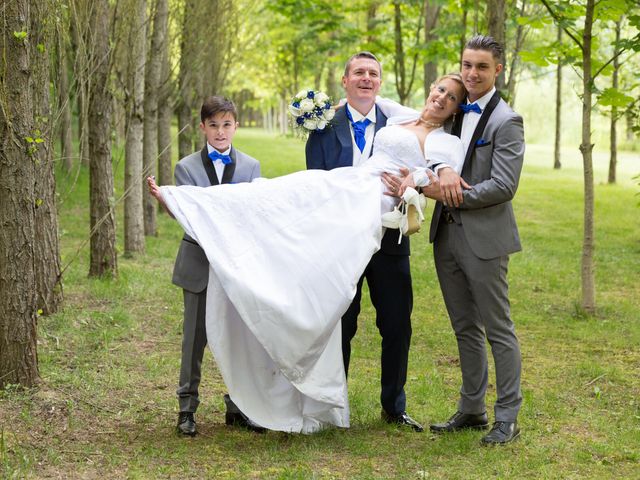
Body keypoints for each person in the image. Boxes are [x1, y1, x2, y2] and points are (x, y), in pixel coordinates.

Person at [147, 74, 466, 434]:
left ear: (457, 108)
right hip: (352, 182)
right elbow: (358, 100)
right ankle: (185, 200)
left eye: (451, 98)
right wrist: (313, 109)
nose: (441, 98)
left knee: (393, 322)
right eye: (440, 90)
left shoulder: (445, 141)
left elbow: (441, 174)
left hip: (377, 211)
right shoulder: (397, 114)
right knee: (294, 192)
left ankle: (393, 406)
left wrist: (415, 181)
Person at [406, 35, 524, 445]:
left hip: (485, 239)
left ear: (498, 70)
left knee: (498, 328)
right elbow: (426, 145)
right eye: (467, 65)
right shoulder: (453, 113)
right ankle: (472, 409)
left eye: (482, 67)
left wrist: (450, 194)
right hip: (446, 237)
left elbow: (504, 185)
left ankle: (507, 416)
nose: (472, 74)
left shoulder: (506, 120)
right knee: (464, 328)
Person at [305, 52, 421, 431]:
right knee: (342, 322)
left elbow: (420, 172)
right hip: (340, 243)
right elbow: (315, 185)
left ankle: (394, 406)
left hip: (389, 238)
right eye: (359, 72)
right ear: (345, 80)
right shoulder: (323, 126)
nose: (366, 78)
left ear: (380, 82)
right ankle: (332, 406)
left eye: (373, 73)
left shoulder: (400, 126)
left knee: (397, 324)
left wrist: (410, 189)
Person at [171, 96, 261, 436]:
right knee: (194, 340)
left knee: (239, 338)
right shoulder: (187, 168)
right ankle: (186, 408)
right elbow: (192, 219)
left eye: (226, 125)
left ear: (236, 126)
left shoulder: (252, 167)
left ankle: (238, 406)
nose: (220, 132)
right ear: (202, 128)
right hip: (199, 264)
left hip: (238, 267)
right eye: (213, 125)